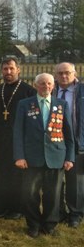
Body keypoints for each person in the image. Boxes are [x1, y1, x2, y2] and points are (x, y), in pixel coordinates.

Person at [14, 73, 74, 238]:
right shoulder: (24, 104)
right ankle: (33, 224)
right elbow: (18, 132)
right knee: (29, 193)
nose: (46, 87)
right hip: (32, 158)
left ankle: (49, 225)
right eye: (42, 84)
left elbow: (68, 134)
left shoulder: (61, 105)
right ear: (35, 85)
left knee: (53, 195)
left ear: (53, 85)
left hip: (56, 157)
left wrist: (70, 157)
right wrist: (19, 156)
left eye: (49, 84)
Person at [0, 58, 35, 218]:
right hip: (0, 139)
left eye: (11, 68)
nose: (8, 72)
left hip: (19, 140)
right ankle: (0, 205)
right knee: (0, 173)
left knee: (17, 175)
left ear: (18, 70)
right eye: (5, 69)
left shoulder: (28, 90)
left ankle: (17, 208)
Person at [53, 62, 84, 228]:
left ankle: (75, 213)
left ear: (75, 73)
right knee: (56, 180)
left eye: (67, 73)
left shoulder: (82, 91)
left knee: (76, 180)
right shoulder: (51, 90)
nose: (64, 76)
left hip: (78, 141)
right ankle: (58, 212)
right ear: (55, 75)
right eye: (60, 73)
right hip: (56, 142)